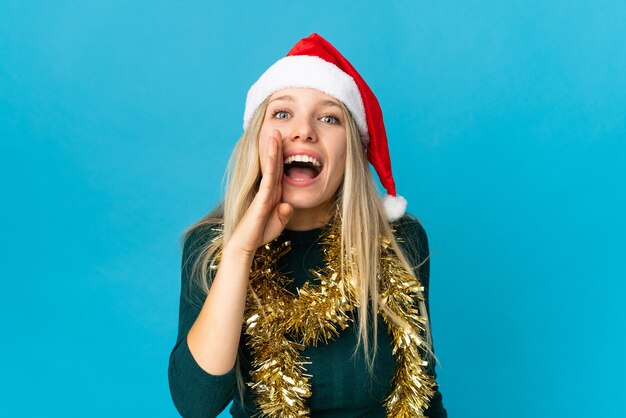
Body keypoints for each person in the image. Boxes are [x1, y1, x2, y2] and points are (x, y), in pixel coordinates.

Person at [168, 33, 448, 417]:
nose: (304, 131)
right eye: (283, 113)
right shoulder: (211, 246)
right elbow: (196, 404)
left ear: (350, 147)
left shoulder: (401, 240)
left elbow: (424, 393)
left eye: (329, 117)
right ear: (257, 140)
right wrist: (239, 253)